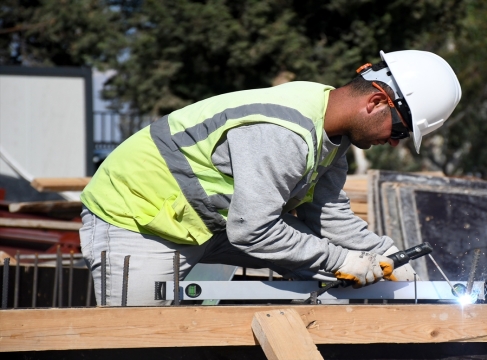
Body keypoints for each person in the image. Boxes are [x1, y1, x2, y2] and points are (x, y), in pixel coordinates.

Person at [79, 50, 462, 305]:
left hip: (211, 222)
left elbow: (328, 217)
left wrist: (387, 258)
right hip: (139, 217)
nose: (394, 144)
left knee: (328, 268)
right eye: (398, 131)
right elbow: (253, 231)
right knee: (141, 339)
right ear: (376, 102)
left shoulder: (331, 136)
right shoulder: (285, 132)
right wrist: (342, 259)